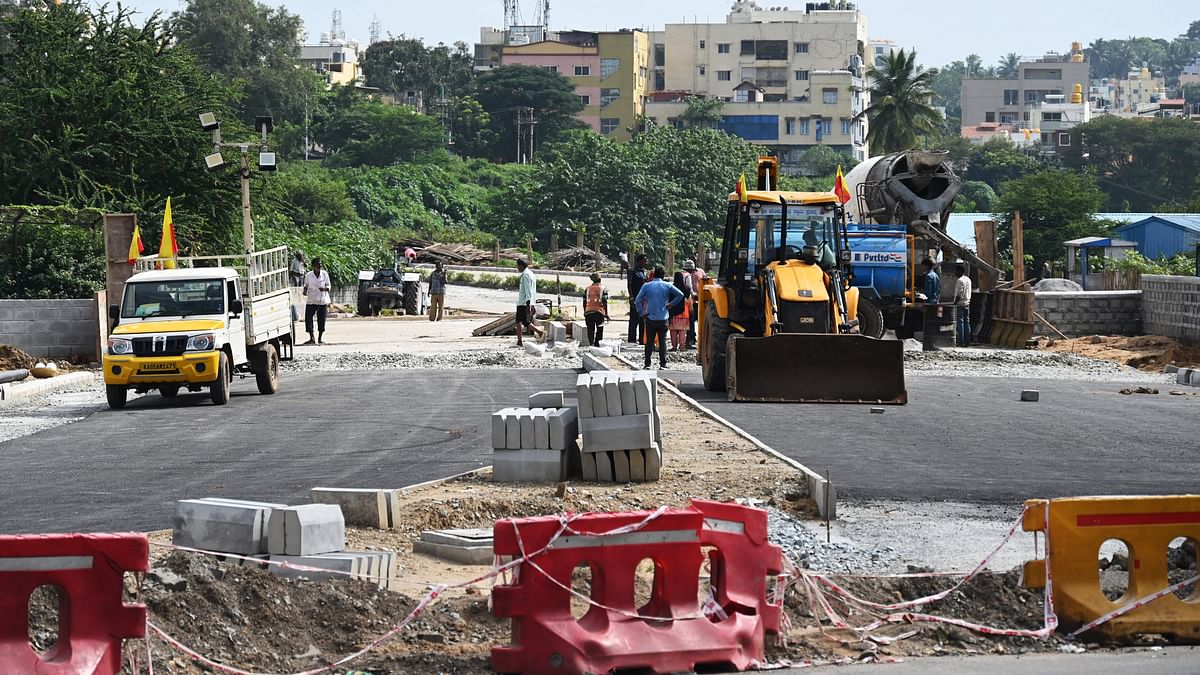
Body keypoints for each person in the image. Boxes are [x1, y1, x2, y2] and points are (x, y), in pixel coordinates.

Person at [634, 266, 684, 370]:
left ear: (654, 275)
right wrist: (671, 304)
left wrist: (641, 312)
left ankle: (647, 364)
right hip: (663, 317)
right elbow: (680, 295)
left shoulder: (646, 286)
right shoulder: (667, 285)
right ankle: (663, 364)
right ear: (663, 275)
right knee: (662, 341)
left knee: (649, 342)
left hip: (650, 317)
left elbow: (638, 300)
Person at [302, 256, 331, 345]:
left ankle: (320, 338)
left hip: (322, 300)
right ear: (313, 266)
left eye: (320, 264)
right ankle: (311, 337)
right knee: (308, 318)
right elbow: (306, 285)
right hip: (311, 300)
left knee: (321, 319)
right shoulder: (308, 275)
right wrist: (305, 291)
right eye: (318, 265)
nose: (319, 266)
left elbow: (329, 286)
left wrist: (325, 289)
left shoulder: (324, 274)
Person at [626, 254, 648, 344]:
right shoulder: (632, 271)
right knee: (634, 319)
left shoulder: (644, 272)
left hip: (643, 299)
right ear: (639, 261)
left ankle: (642, 339)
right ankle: (632, 339)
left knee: (642, 319)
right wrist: (631, 297)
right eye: (644, 261)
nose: (645, 263)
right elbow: (629, 284)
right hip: (635, 297)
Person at [684, 259, 706, 348]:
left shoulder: (701, 271)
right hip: (690, 301)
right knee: (691, 322)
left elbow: (705, 280)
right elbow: (688, 288)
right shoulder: (685, 274)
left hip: (700, 300)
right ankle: (690, 339)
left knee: (701, 321)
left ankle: (702, 340)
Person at [515, 258, 537, 347]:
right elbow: (533, 290)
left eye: (518, 266)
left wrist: (528, 304)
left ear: (522, 266)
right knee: (523, 321)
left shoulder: (525, 275)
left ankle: (520, 341)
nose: (517, 268)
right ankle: (519, 341)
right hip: (526, 301)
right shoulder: (531, 274)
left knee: (520, 321)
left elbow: (528, 290)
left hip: (523, 302)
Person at [583, 272, 608, 345]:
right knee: (599, 329)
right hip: (599, 312)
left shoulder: (587, 288)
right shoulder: (603, 288)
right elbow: (604, 301)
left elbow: (584, 301)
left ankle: (591, 343)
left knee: (590, 330)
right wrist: (606, 313)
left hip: (588, 311)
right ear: (600, 279)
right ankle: (597, 344)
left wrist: (585, 311)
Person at [669, 271, 692, 351]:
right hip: (684, 312)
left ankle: (674, 346)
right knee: (683, 331)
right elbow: (689, 300)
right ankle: (682, 346)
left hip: (673, 312)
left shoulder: (671, 288)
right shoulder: (686, 289)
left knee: (673, 330)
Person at [953, 262, 972, 346]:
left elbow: (958, 295)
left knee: (960, 323)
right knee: (966, 322)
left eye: (956, 271)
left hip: (960, 304)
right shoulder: (968, 279)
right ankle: (967, 341)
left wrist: (954, 304)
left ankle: (961, 341)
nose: (955, 273)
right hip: (967, 303)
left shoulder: (960, 281)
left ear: (960, 271)